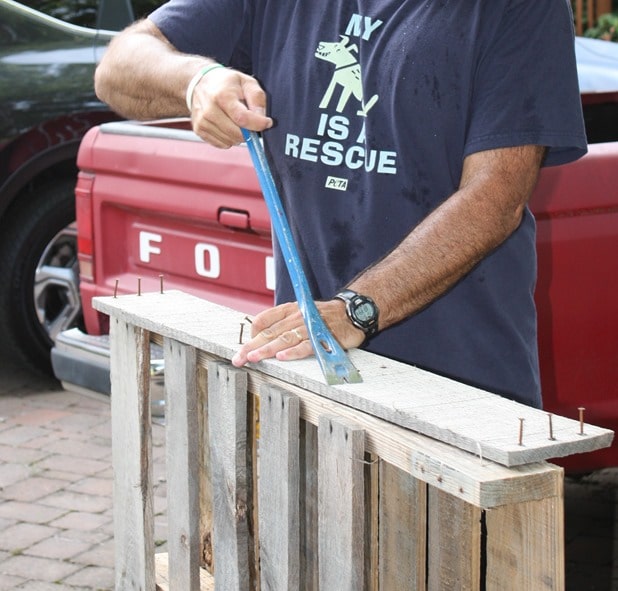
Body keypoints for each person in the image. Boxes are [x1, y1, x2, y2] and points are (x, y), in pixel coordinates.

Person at [95, 0, 587, 408]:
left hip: (463, 394)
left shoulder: (522, 7)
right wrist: (197, 79)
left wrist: (355, 311)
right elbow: (119, 66)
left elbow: (494, 196)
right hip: (313, 378)